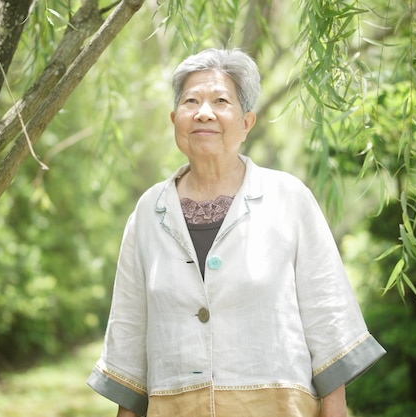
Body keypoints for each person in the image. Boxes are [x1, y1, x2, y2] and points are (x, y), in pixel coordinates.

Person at [87, 48, 385, 417]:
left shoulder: (289, 199)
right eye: (191, 101)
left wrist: (335, 409)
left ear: (246, 122)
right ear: (174, 118)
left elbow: (327, 312)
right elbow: (130, 329)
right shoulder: (149, 211)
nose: (204, 112)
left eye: (220, 100)